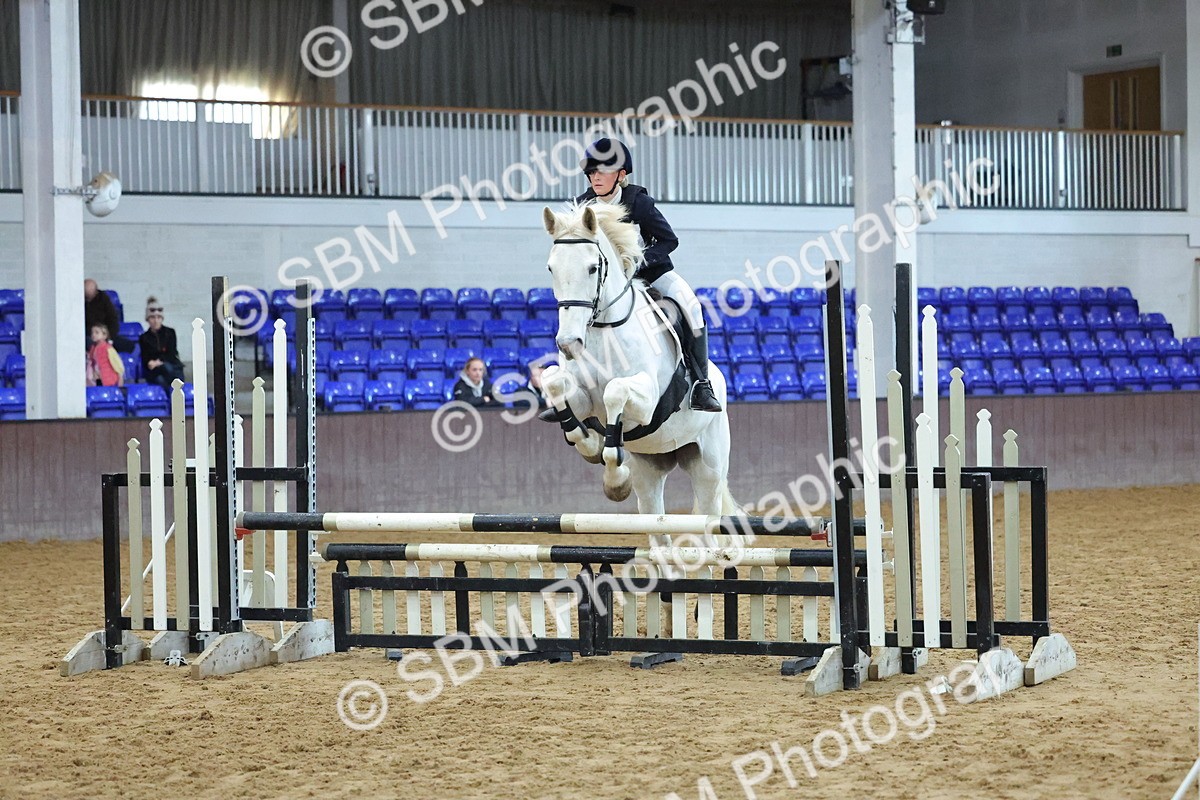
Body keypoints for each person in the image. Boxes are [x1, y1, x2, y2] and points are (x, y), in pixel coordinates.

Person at [570, 137, 721, 412]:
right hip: (604, 283)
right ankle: (571, 385)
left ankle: (701, 384)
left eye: (602, 171)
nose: (595, 177)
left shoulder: (639, 203)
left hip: (649, 274)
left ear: (621, 174)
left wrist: (638, 263)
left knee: (692, 305)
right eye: (592, 172)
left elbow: (669, 241)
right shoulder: (582, 206)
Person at [138, 297, 186, 390]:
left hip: (170, 366)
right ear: (148, 319)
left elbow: (171, 353)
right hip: (156, 371)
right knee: (162, 380)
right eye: (152, 317)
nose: (156, 321)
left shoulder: (170, 332)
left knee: (170, 371)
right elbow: (146, 358)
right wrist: (154, 363)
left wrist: (158, 362)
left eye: (158, 317)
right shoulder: (144, 338)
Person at [84, 279, 134, 353]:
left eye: (90, 296)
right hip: (89, 336)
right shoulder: (78, 302)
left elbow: (113, 320)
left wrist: (106, 336)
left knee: (129, 345)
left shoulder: (104, 299)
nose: (88, 299)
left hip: (105, 335)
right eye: (86, 296)